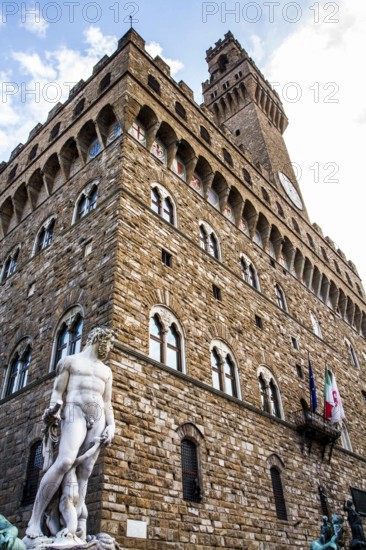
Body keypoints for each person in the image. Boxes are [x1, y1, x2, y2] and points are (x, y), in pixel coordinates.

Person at [25, 327, 116, 543]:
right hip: (74, 410)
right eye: (109, 344)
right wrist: (53, 412)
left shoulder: (106, 371)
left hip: (99, 416)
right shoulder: (70, 361)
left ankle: (74, 526)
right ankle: (35, 520)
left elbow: (107, 402)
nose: (110, 349)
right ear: (100, 340)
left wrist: (111, 425)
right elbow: (58, 393)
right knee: (65, 461)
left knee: (84, 471)